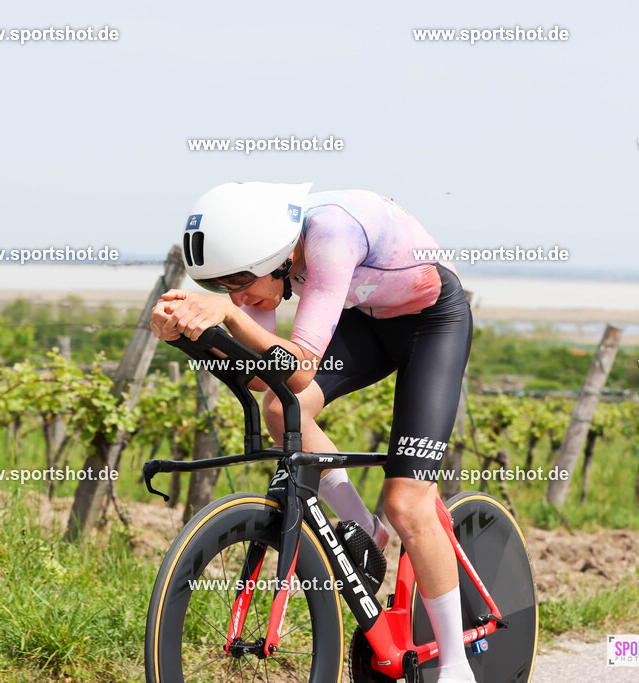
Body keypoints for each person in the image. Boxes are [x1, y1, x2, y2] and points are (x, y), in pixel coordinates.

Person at [150, 181, 475, 683]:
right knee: (281, 411)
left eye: (240, 281)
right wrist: (192, 334)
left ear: (276, 255)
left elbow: (298, 368)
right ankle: (364, 530)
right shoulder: (265, 268)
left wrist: (231, 316)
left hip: (432, 323)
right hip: (365, 321)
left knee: (407, 502)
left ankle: (456, 666)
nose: (237, 294)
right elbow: (263, 376)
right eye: (222, 287)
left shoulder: (331, 233)